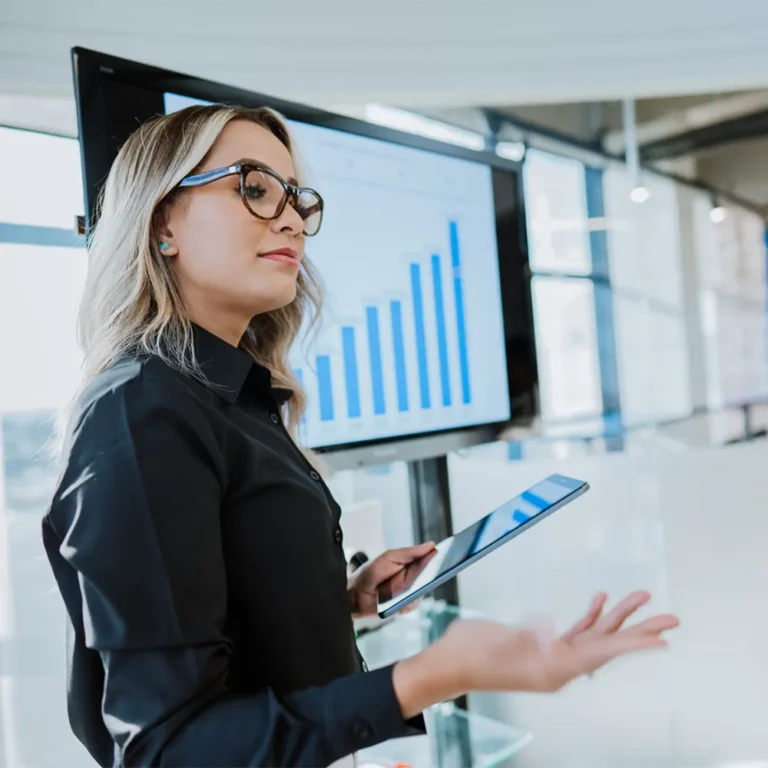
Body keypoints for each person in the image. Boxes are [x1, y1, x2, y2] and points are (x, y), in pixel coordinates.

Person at [43, 104, 679, 768]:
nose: (291, 219)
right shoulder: (142, 413)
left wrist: (335, 598)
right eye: (254, 188)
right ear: (162, 221)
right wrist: (436, 673)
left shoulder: (231, 399)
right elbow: (170, 749)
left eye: (296, 199)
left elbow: (211, 616)